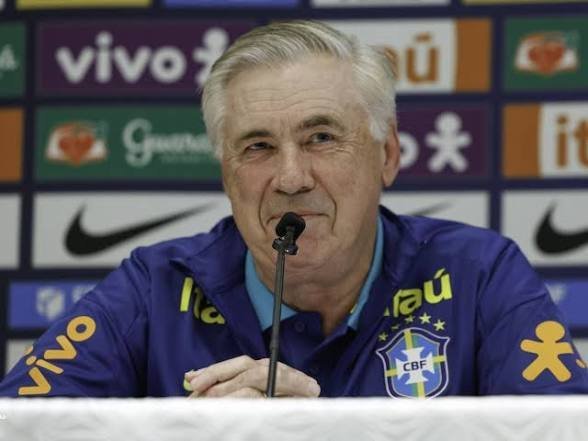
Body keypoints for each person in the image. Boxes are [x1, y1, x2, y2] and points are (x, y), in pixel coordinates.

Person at [1, 20, 587, 399]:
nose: (290, 178)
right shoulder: (155, 288)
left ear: (386, 156)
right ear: (226, 174)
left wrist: (325, 432)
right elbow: (20, 424)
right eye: (257, 147)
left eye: (321, 138)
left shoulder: (479, 275)